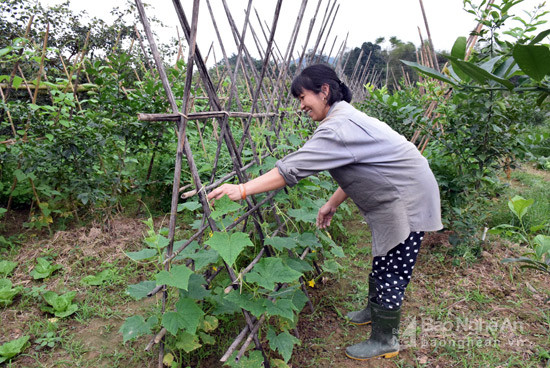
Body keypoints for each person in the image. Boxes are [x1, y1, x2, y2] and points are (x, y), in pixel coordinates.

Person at [207, 64, 443, 361]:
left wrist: (241, 190)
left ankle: (386, 339)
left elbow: (292, 167)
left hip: (409, 196)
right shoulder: (344, 119)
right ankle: (375, 311)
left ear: (325, 91)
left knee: (393, 266)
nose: (301, 105)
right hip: (401, 190)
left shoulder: (338, 126)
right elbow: (362, 164)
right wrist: (332, 203)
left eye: (303, 96)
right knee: (383, 254)